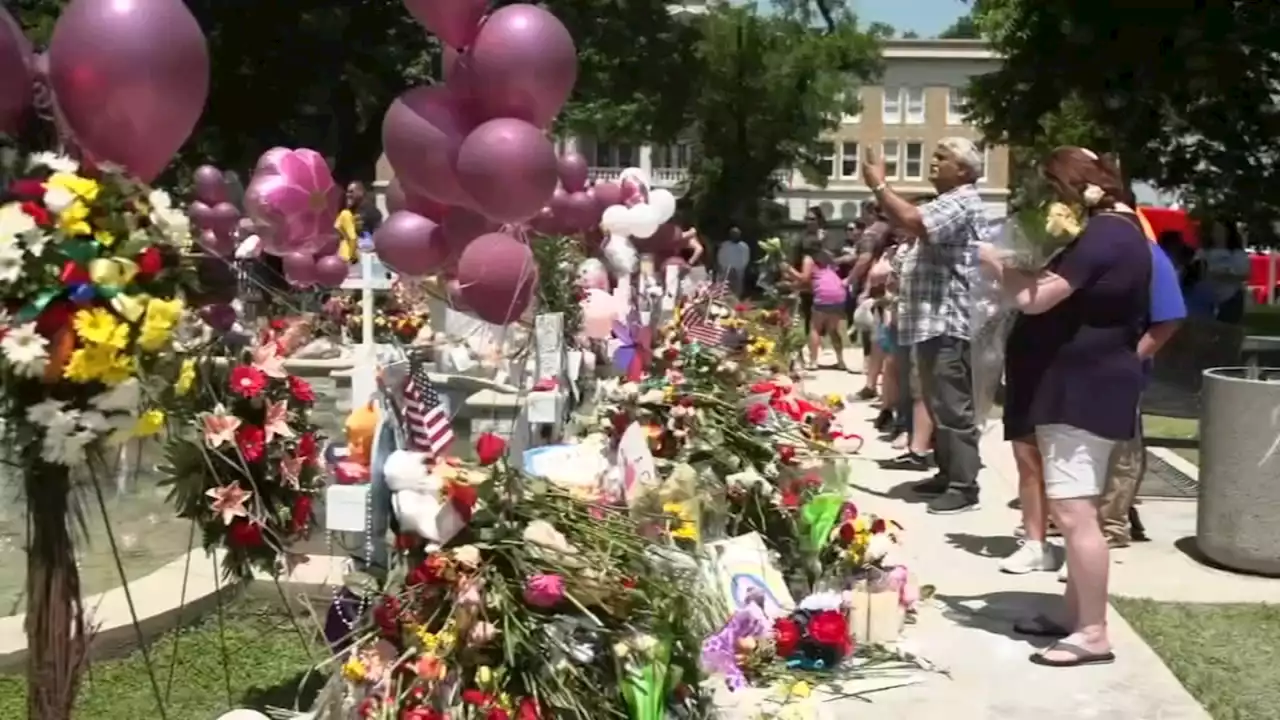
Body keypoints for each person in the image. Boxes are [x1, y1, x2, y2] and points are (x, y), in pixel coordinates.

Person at [978, 146, 1151, 667]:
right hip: (1083, 385)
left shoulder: (1104, 235)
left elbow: (1038, 298)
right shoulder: (1124, 231)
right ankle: (1074, 611)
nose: (1053, 201)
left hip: (1081, 389)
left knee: (1075, 515)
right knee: (1078, 508)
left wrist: (998, 266)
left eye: (1054, 190)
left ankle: (1094, 630)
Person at [1001, 208, 1187, 575]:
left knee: (1099, 472)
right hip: (1045, 373)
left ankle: (1094, 545)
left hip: (1098, 382)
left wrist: (1129, 360)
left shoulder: (1137, 250)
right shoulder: (1068, 248)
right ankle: (1038, 541)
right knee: (1033, 460)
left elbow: (1169, 318)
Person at [861, 138, 990, 514]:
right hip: (930, 323)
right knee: (936, 404)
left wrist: (880, 185)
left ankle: (964, 486)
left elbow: (914, 221)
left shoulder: (962, 200)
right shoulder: (947, 200)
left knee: (953, 406)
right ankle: (947, 473)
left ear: (964, 170)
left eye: (942, 158)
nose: (933, 164)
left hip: (948, 321)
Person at [786, 247, 850, 371]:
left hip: (824, 296)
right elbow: (818, 282)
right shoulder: (827, 258)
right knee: (833, 330)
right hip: (839, 293)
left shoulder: (808, 258)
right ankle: (841, 361)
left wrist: (788, 269)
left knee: (815, 328)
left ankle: (813, 361)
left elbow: (803, 278)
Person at [1197, 220, 1250, 323]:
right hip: (1207, 299)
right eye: (1215, 230)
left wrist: (1224, 274)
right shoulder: (1203, 252)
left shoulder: (1237, 254)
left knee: (1228, 330)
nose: (1217, 233)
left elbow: (1244, 274)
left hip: (1231, 298)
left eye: (1220, 230)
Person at [794, 207, 827, 359]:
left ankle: (821, 341)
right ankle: (811, 343)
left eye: (812, 219)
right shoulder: (802, 238)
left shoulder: (825, 236)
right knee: (808, 313)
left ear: (819, 220)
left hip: (824, 279)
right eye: (807, 218)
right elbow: (796, 258)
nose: (809, 222)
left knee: (824, 313)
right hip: (807, 279)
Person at [336, 181, 385, 262]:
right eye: (347, 192)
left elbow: (379, 235)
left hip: (363, 255)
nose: (348, 195)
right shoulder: (349, 211)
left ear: (360, 192)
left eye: (351, 192)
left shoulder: (371, 211)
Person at [717, 224, 751, 296]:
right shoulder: (725, 245)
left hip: (738, 270)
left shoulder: (744, 246)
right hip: (726, 270)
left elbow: (746, 258)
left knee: (737, 289)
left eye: (736, 234)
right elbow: (720, 257)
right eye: (733, 234)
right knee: (725, 288)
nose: (734, 236)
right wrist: (724, 267)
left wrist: (739, 268)